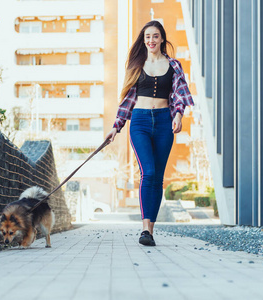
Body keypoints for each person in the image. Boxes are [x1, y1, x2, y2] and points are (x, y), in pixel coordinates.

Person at [105, 20, 194, 246]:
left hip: (164, 122)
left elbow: (179, 95)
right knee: (149, 172)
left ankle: (151, 231)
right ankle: (144, 229)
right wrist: (116, 126)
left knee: (158, 178)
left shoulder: (174, 65)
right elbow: (128, 99)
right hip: (141, 122)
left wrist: (177, 116)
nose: (151, 40)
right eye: (147, 37)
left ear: (162, 38)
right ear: (143, 40)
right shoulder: (136, 65)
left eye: (155, 36)